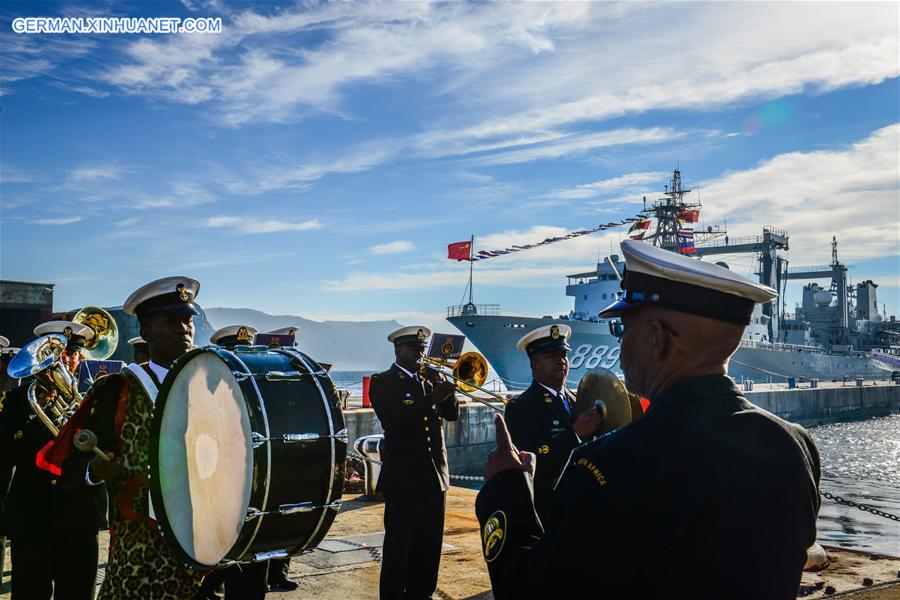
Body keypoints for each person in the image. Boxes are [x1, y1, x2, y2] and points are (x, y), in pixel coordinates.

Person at [475, 240, 821, 600]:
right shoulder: (794, 445)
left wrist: (505, 487)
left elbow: (527, 590)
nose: (620, 345)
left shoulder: (607, 467)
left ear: (655, 338)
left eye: (623, 328)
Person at [51, 277, 207, 599]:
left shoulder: (206, 388)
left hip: (196, 541)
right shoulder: (117, 390)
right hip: (139, 550)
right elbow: (72, 469)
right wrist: (95, 470)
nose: (184, 329)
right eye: (171, 321)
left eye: (188, 320)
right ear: (147, 333)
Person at [1, 321, 107, 600]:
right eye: (58, 352)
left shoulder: (93, 401)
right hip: (31, 518)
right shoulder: (16, 402)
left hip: (79, 518)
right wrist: (39, 417)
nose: (65, 360)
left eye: (72, 354)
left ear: (80, 358)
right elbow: (4, 453)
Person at [369, 326, 459, 600]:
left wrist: (447, 389)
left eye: (422, 349)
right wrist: (432, 397)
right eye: (414, 349)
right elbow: (394, 419)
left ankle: (423, 594)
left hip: (435, 477)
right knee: (400, 547)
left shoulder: (429, 381)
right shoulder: (383, 381)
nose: (420, 354)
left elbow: (451, 415)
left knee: (429, 546)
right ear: (398, 350)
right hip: (404, 479)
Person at [504, 324, 602, 523]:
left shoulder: (578, 402)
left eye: (563, 354)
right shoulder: (521, 406)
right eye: (551, 355)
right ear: (534, 364)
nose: (560, 360)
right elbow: (529, 456)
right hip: (548, 509)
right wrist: (573, 434)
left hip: (582, 504)